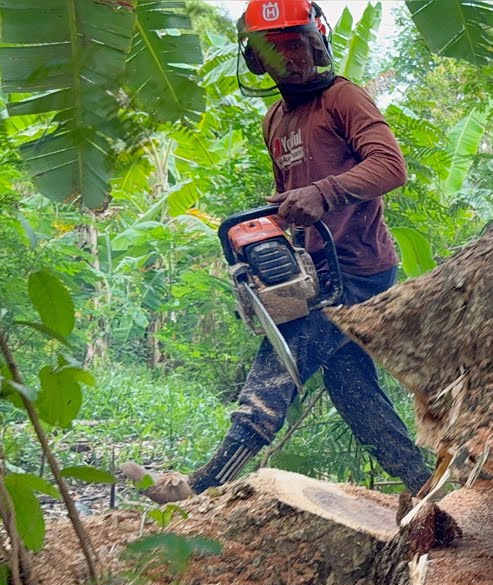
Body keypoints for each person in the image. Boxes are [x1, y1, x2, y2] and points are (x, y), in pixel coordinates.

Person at [142, 0, 430, 501]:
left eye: (296, 44)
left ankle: (202, 486)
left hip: (358, 268)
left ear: (317, 42)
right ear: (256, 61)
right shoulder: (275, 119)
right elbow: (290, 199)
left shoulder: (344, 99)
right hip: (314, 268)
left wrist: (325, 193)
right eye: (274, 49)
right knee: (354, 391)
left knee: (278, 365)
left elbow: (391, 167)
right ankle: (426, 487)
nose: (289, 57)